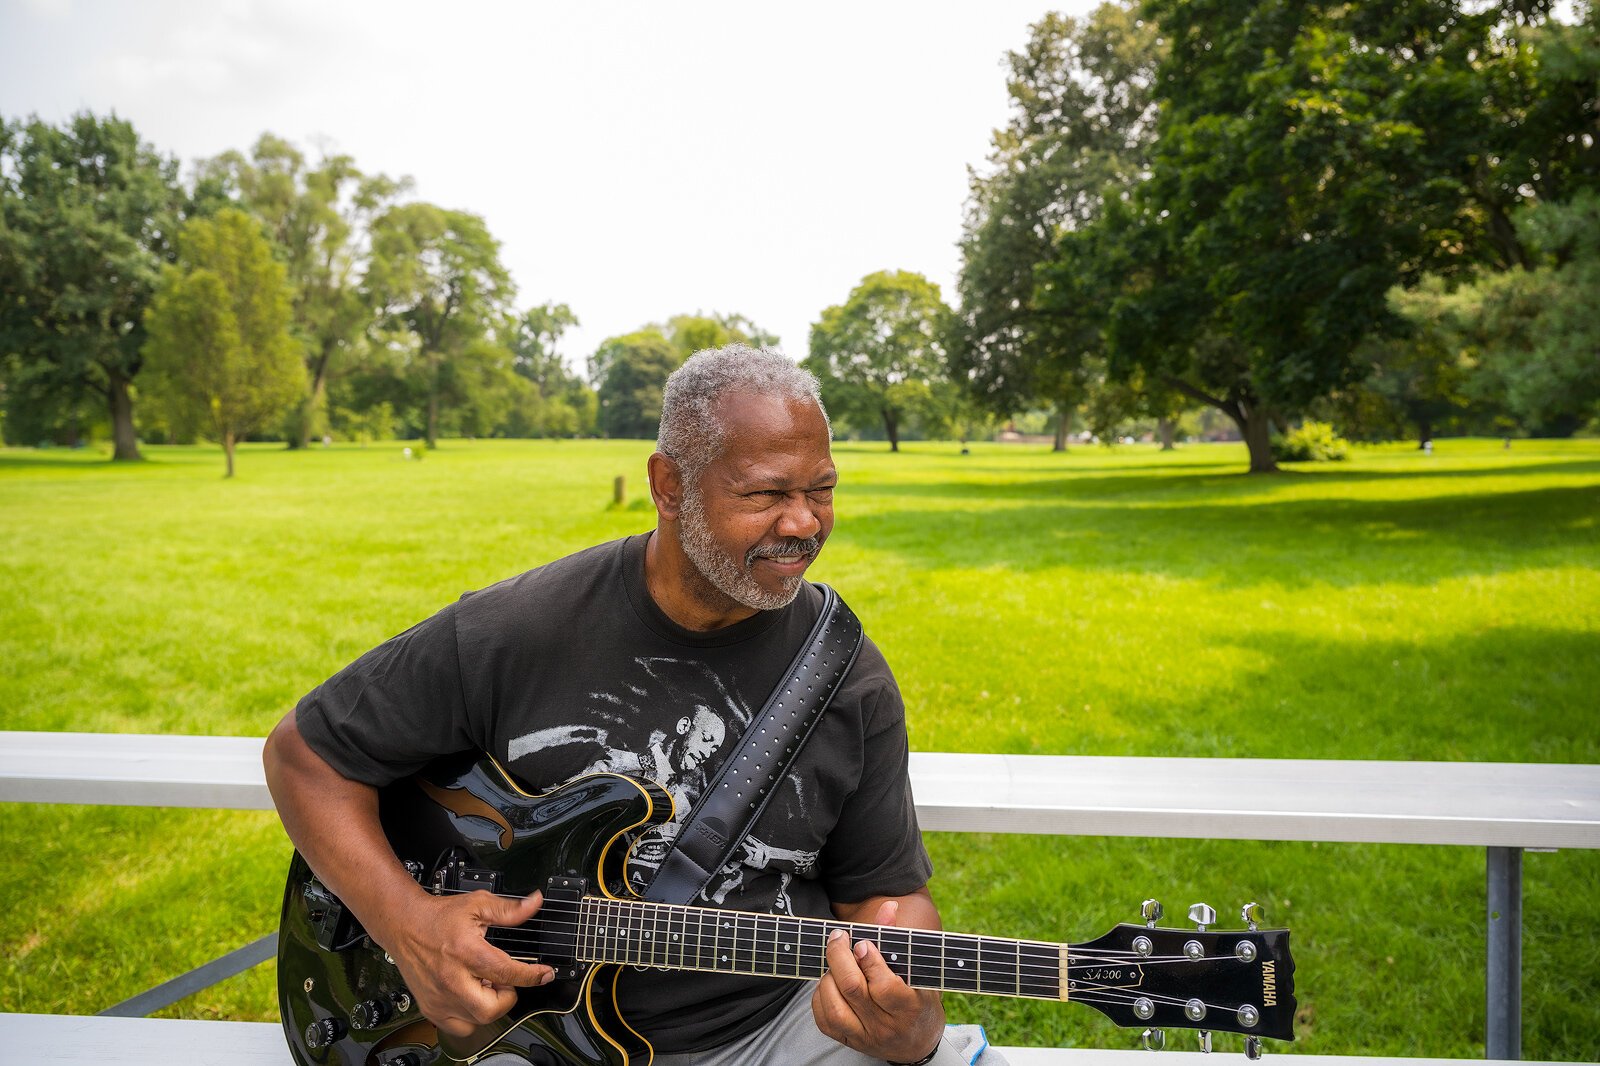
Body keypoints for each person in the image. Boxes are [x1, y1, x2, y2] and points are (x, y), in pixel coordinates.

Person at [263, 345, 996, 1066]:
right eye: (766, 494)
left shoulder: (846, 674)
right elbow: (304, 756)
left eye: (822, 489)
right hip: (519, 1036)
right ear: (669, 486)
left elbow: (887, 899)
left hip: (771, 1029)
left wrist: (911, 1017)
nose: (805, 523)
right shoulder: (515, 630)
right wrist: (407, 924)